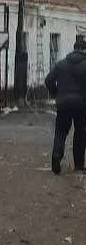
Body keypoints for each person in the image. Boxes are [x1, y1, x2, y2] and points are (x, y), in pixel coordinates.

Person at [45, 38, 86, 175]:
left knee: (61, 131)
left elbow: (48, 80)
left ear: (74, 49)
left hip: (63, 103)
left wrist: (56, 93)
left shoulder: (61, 64)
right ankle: (79, 165)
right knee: (80, 133)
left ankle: (57, 154)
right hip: (81, 104)